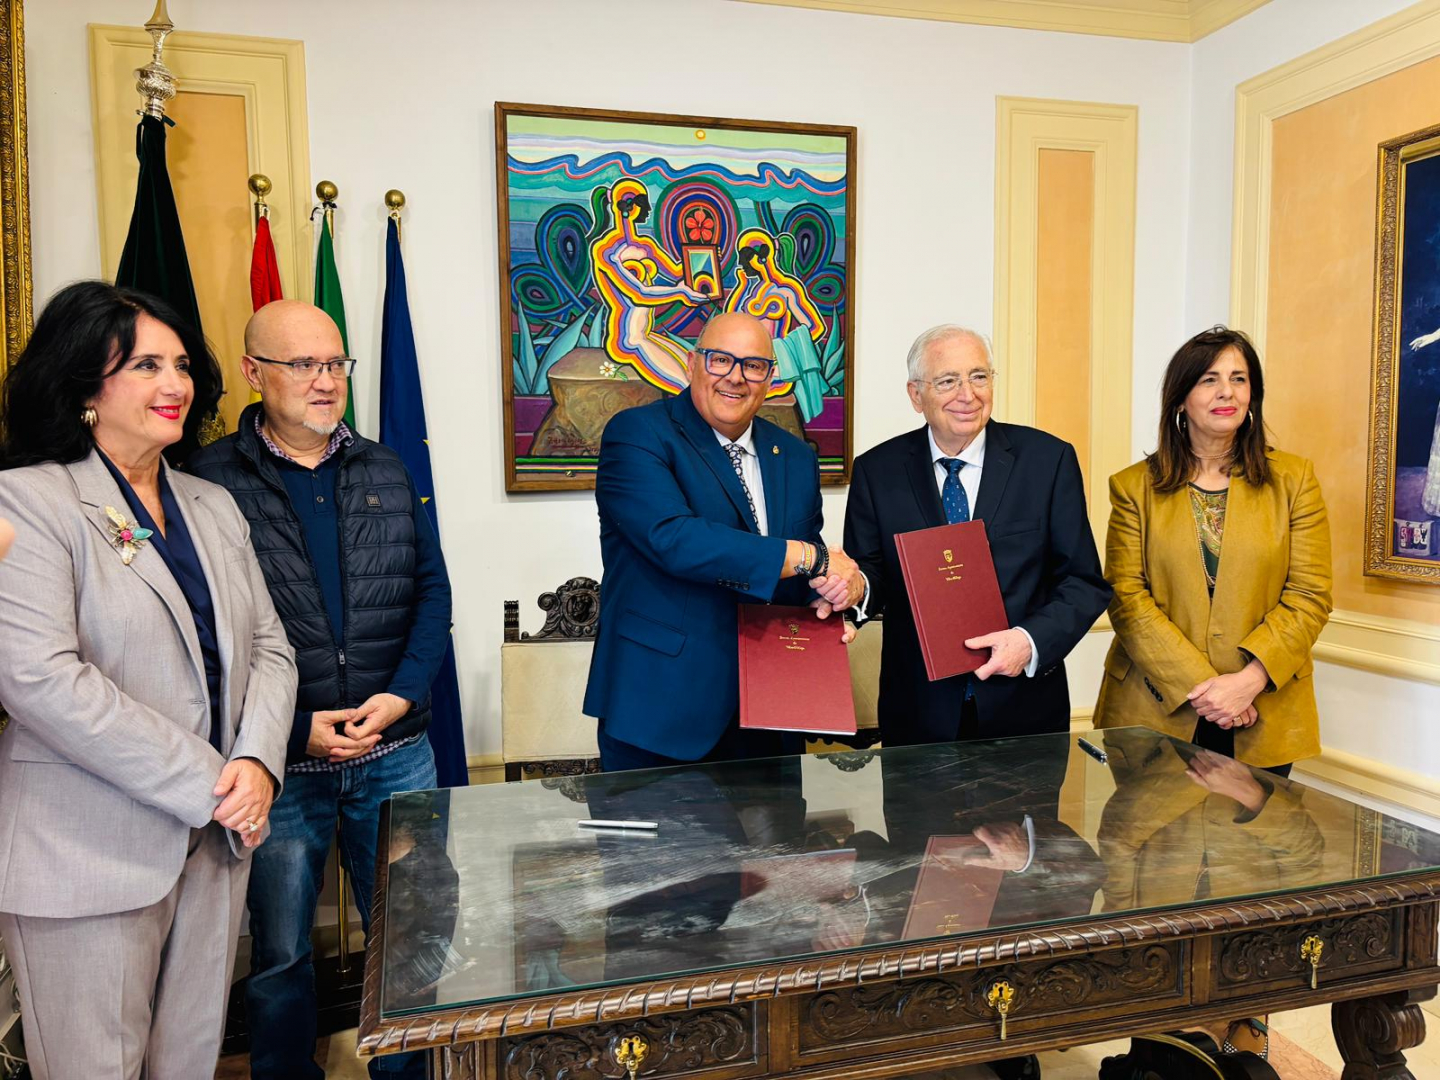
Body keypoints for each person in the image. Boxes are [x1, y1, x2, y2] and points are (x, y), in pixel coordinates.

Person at [0, 281, 296, 1079]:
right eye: (145, 366)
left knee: (188, 1065)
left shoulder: (211, 503)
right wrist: (213, 783)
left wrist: (258, 763)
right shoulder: (26, 500)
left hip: (215, 847)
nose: (175, 384)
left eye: (181, 365)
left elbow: (270, 646)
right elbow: (39, 679)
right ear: (83, 387)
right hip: (85, 850)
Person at [186, 299, 452, 1080]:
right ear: (253, 371)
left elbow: (431, 592)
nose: (325, 380)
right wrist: (293, 726)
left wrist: (402, 696)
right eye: (303, 364)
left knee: (412, 940)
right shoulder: (205, 482)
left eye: (335, 363)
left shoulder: (386, 468)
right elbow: (200, 633)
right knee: (278, 955)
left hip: (394, 752)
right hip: (279, 765)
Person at [583, 311, 864, 770]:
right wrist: (810, 558)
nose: (735, 377)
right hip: (661, 706)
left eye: (753, 365)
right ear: (693, 364)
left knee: (778, 824)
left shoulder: (795, 455)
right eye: (720, 360)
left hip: (773, 709)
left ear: (770, 378)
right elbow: (675, 539)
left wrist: (831, 601)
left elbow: (798, 571)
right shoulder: (637, 434)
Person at [843, 325, 1110, 746]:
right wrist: (853, 590)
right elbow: (871, 575)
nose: (967, 394)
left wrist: (1029, 642)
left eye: (979, 376)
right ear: (916, 395)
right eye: (948, 381)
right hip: (918, 714)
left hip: (1024, 709)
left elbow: (1083, 583)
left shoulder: (1047, 460)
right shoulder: (877, 471)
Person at [1093, 327, 1333, 775]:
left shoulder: (1295, 480)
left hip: (1263, 706)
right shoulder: (1132, 487)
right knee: (1153, 826)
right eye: (1209, 379)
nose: (1227, 391)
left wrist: (1248, 682)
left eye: (1239, 379)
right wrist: (1209, 689)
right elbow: (1126, 597)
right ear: (1180, 399)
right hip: (1155, 705)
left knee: (1253, 824)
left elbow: (1309, 594)